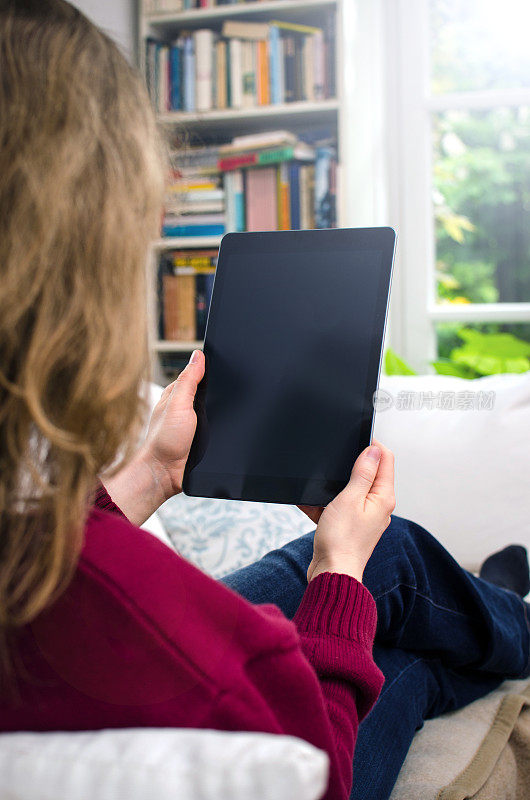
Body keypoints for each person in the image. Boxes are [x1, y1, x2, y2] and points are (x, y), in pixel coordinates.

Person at [0, 3, 528, 800]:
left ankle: (494, 605)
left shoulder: (32, 555)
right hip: (284, 737)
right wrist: (337, 565)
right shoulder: (205, 667)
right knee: (390, 602)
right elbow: (317, 771)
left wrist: (153, 472)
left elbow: (36, 574)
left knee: (391, 569)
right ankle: (509, 614)